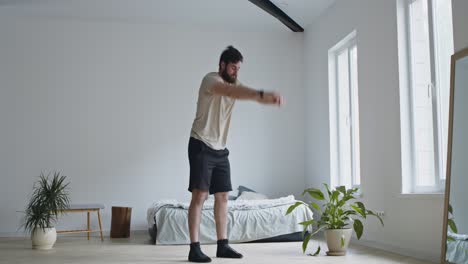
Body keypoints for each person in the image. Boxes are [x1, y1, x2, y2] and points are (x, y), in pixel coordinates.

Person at [187, 45, 282, 263]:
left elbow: (242, 91)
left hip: (220, 149)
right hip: (201, 144)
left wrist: (263, 98)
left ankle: (223, 245)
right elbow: (232, 92)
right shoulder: (211, 81)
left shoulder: (234, 83)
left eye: (238, 68)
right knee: (200, 196)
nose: (236, 73)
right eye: (232, 68)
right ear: (221, 65)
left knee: (222, 197)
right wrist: (259, 95)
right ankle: (194, 248)